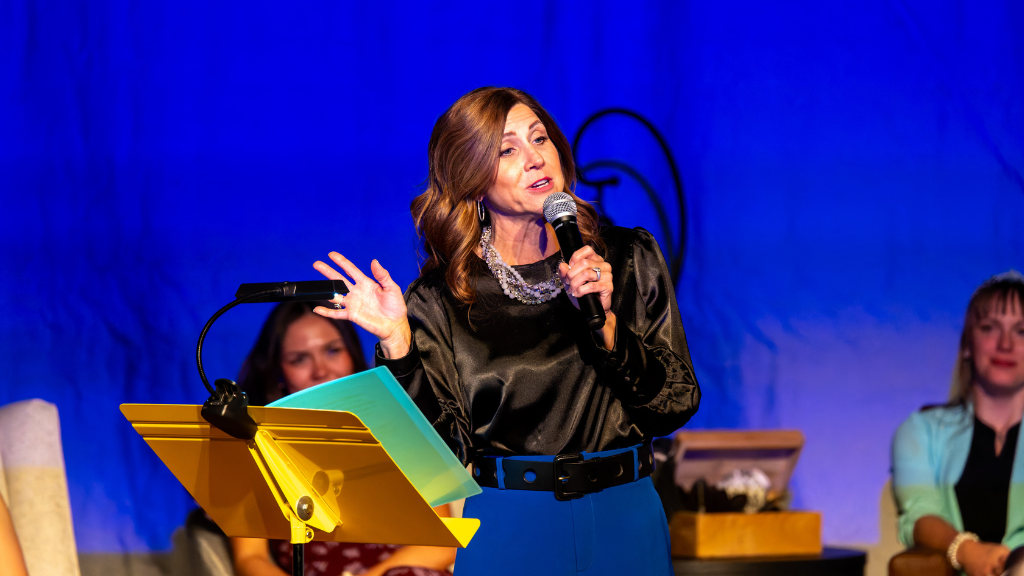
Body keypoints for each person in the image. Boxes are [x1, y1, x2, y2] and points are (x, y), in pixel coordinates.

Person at [310, 87, 700, 575]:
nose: (535, 158)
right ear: (473, 180)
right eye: (507, 150)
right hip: (514, 523)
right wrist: (397, 342)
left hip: (625, 513)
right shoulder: (440, 299)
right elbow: (442, 462)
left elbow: (676, 402)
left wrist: (610, 327)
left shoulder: (625, 256)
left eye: (540, 139)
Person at [229, 301, 456, 576]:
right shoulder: (255, 447)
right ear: (278, 372)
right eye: (299, 359)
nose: (320, 370)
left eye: (332, 350)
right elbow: (250, 559)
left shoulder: (398, 426)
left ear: (353, 354)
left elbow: (444, 545)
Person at [892, 271, 1024, 576]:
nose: (1005, 344)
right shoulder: (920, 431)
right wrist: (967, 551)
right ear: (967, 344)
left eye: (1021, 331)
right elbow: (919, 513)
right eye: (990, 328)